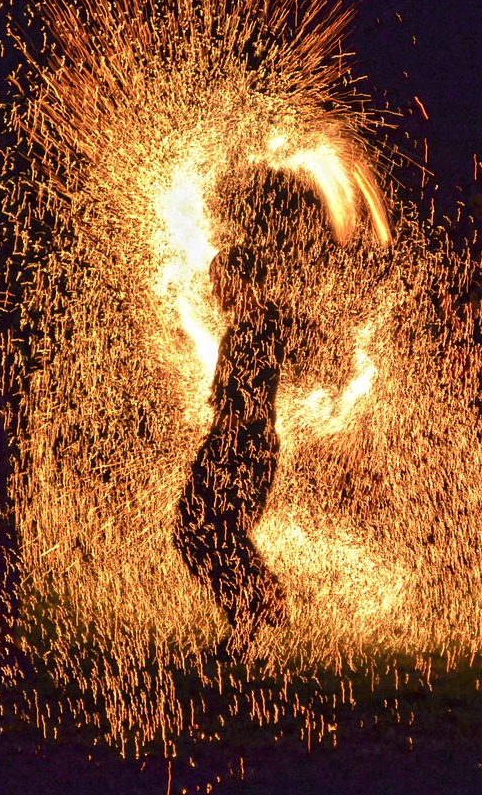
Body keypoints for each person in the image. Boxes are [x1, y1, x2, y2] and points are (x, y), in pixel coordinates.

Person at [175, 246, 288, 658]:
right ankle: (258, 599)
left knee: (211, 531)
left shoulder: (263, 326)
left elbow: (249, 399)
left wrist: (227, 445)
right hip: (230, 443)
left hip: (243, 447)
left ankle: (254, 607)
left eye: (219, 281)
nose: (214, 290)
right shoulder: (242, 328)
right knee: (197, 531)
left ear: (241, 280)